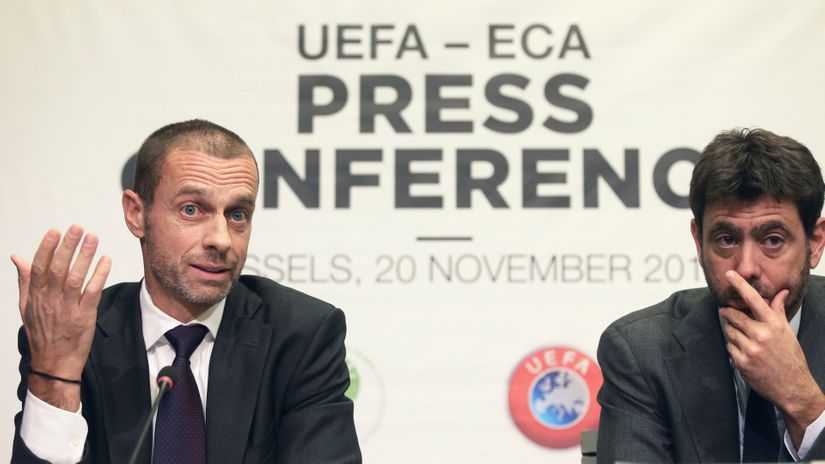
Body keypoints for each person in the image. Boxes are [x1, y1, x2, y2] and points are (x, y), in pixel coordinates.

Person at [10, 120, 362, 463]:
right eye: (191, 209)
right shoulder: (72, 335)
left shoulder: (300, 336)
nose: (221, 239)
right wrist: (56, 376)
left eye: (237, 214)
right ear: (136, 213)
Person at [596, 128, 825, 463]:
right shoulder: (642, 352)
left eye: (773, 240)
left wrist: (802, 401)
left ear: (815, 243)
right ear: (698, 242)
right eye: (726, 240)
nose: (746, 268)